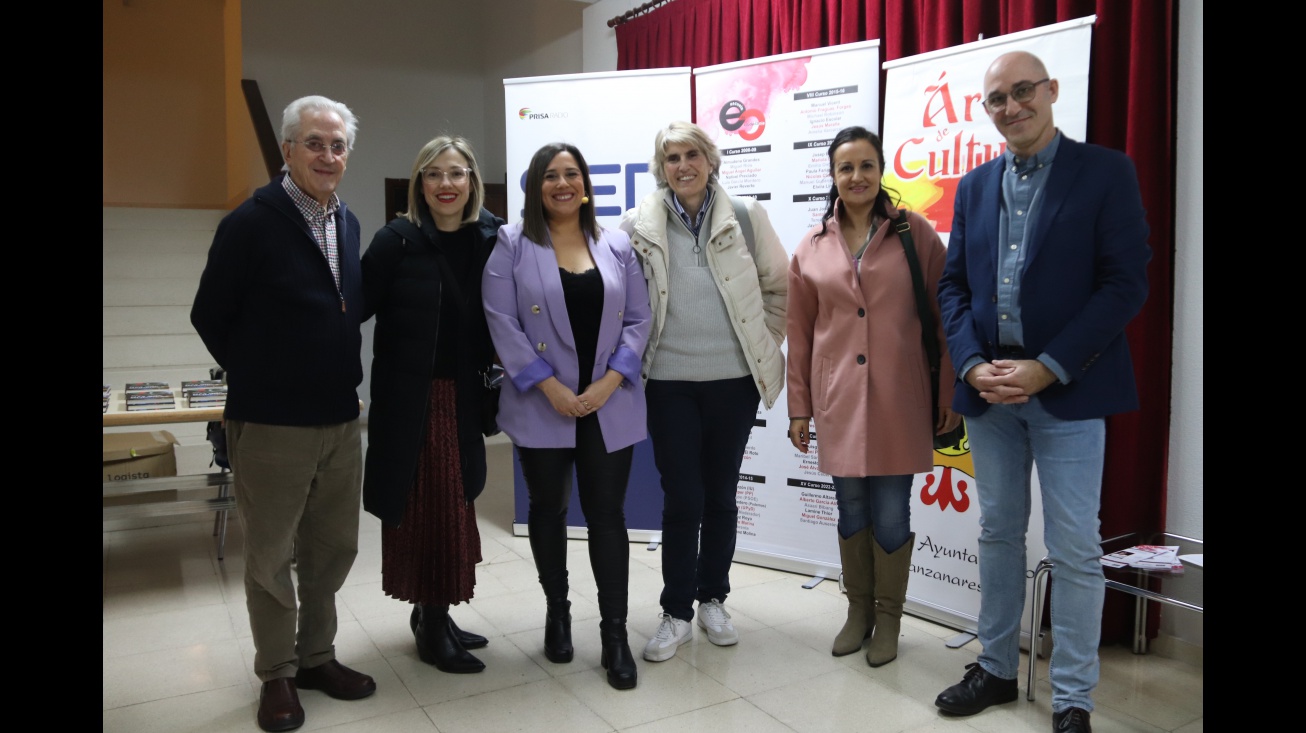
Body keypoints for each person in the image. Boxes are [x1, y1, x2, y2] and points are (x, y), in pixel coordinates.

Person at [933, 52, 1151, 733]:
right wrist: (970, 365)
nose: (1010, 107)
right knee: (997, 532)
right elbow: (954, 289)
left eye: (1022, 91)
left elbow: (1125, 284)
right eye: (996, 98)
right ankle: (995, 666)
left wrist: (1048, 365)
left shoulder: (1107, 172)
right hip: (990, 395)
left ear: (1051, 92)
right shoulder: (972, 187)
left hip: (1068, 392)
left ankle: (1074, 697)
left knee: (1075, 546)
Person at [190, 95, 375, 733]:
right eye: (315, 143)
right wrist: (264, 375)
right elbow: (209, 315)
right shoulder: (252, 222)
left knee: (331, 549)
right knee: (270, 557)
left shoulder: (346, 221)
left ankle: (317, 656)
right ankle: (277, 673)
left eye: (338, 145)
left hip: (340, 419)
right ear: (288, 149)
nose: (328, 155)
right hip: (271, 424)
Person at [786, 126, 959, 668]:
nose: (856, 177)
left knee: (891, 512)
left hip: (899, 399)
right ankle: (857, 612)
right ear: (833, 176)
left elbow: (946, 317)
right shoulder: (811, 247)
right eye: (845, 168)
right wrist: (799, 407)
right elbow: (800, 330)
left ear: (880, 169)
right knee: (850, 509)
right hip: (838, 399)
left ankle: (889, 620)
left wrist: (948, 391)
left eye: (866, 165)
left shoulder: (915, 234)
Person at [482, 142, 651, 690]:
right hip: (541, 404)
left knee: (607, 517)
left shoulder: (616, 244)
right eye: (550, 176)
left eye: (571, 174)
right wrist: (548, 386)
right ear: (535, 186)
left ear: (585, 183)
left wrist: (606, 383)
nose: (562, 184)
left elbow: (639, 321)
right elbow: (500, 321)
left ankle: (615, 634)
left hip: (608, 404)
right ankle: (558, 611)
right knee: (548, 510)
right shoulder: (511, 243)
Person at [618, 121, 788, 663]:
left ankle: (713, 597)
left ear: (710, 160)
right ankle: (675, 612)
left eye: (692, 154)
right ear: (661, 167)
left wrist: (763, 340)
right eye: (672, 157)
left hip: (733, 382)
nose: (683, 165)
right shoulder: (636, 226)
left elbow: (778, 287)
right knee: (682, 498)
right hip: (668, 384)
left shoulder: (745, 217)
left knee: (720, 496)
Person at [360, 135, 504, 675]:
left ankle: (433, 613)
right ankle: (433, 621)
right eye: (434, 174)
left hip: (466, 396)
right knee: (427, 508)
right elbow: (350, 308)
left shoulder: (492, 239)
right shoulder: (395, 241)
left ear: (472, 182)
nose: (446, 184)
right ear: (420, 183)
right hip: (412, 401)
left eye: (457, 173)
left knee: (456, 502)